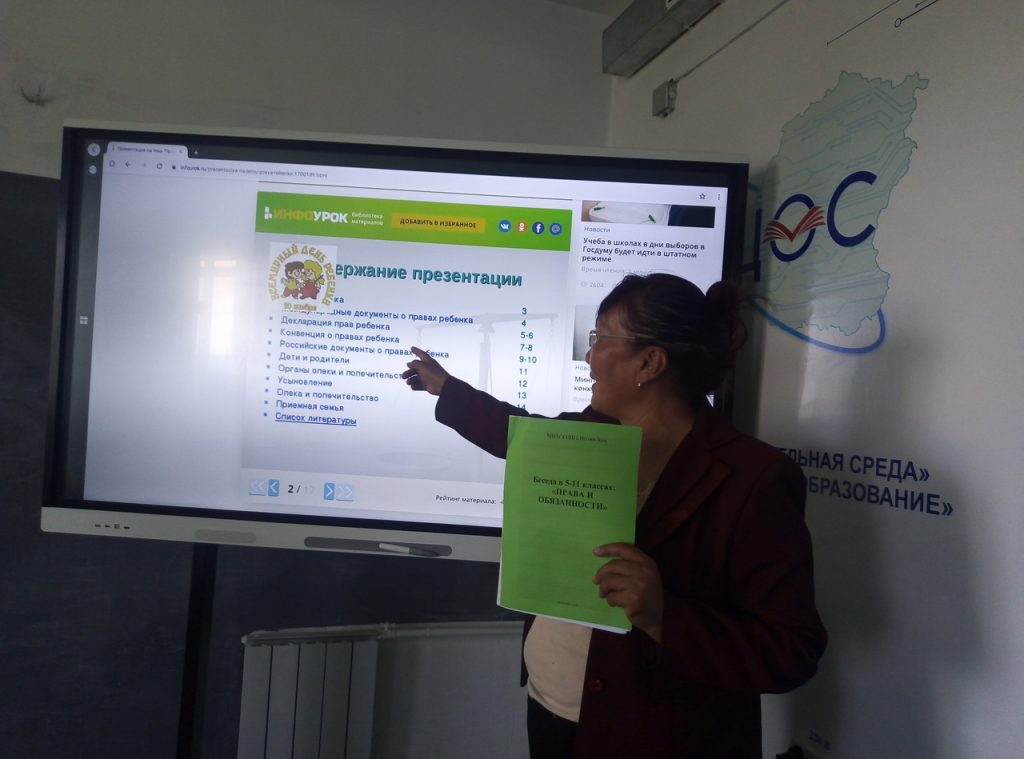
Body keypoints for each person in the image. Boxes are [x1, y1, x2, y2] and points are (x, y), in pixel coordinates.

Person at [401, 273, 827, 758]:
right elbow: (515, 434)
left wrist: (665, 615)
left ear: (650, 362)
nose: (589, 357)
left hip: (653, 738)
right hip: (550, 707)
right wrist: (446, 388)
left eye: (600, 338)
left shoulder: (753, 478)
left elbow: (790, 651)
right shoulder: (589, 433)